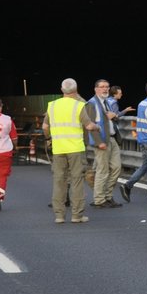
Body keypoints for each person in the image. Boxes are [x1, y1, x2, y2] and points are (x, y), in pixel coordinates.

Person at [44, 77, 92, 224]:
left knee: (59, 181)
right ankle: (77, 215)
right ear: (76, 89)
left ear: (61, 90)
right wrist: (97, 127)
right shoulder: (79, 105)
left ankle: (59, 215)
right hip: (76, 148)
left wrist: (48, 139)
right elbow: (88, 126)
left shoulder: (52, 106)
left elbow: (45, 127)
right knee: (76, 181)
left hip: (58, 148)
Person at [85, 79, 124, 208]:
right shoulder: (91, 104)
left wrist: (114, 116)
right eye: (102, 87)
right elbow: (90, 125)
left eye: (107, 87)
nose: (105, 89)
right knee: (102, 170)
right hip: (102, 140)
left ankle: (107, 195)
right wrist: (98, 142)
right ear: (96, 89)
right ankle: (99, 200)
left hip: (112, 139)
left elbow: (109, 119)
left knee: (116, 168)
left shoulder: (106, 102)